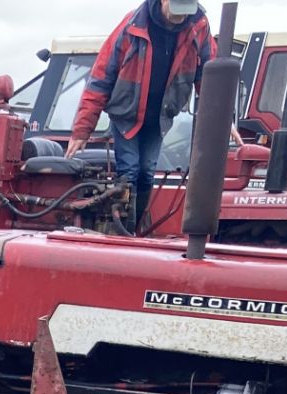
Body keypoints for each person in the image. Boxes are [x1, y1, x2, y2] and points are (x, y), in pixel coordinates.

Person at [66, 0, 216, 225]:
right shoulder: (132, 25)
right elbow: (101, 78)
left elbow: (209, 74)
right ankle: (126, 232)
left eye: (186, 11)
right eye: (177, 10)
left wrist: (220, 115)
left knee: (147, 172)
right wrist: (81, 131)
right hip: (127, 115)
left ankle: (136, 224)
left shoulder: (199, 27)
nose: (181, 17)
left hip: (159, 117)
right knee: (129, 172)